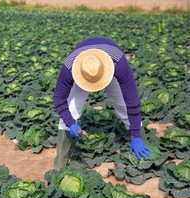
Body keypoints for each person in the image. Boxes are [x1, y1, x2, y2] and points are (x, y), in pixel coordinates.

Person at [53, 36, 151, 169]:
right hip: (82, 71)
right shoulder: (70, 67)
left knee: (123, 106)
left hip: (110, 67)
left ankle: (140, 140)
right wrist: (71, 123)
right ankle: (60, 158)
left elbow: (132, 100)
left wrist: (136, 136)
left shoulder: (118, 63)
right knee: (72, 109)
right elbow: (59, 99)